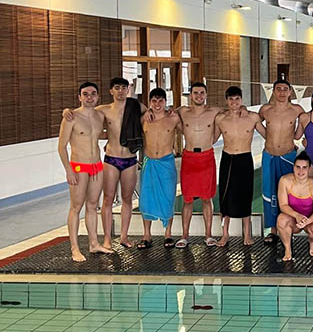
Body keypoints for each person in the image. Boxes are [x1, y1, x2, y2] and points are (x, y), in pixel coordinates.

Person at [62, 77, 147, 249]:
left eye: (124, 88)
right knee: (103, 200)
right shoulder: (103, 111)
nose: (121, 91)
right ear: (111, 91)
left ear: (129, 89)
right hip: (108, 159)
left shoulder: (134, 108)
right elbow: (65, 141)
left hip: (124, 160)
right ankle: (104, 239)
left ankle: (120, 237)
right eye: (117, 88)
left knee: (123, 199)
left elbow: (153, 113)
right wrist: (66, 111)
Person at [58, 82, 110, 261]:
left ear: (97, 97)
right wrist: (68, 171)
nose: (89, 97)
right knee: (76, 206)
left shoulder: (99, 115)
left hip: (96, 165)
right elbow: (61, 147)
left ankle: (94, 243)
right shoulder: (71, 117)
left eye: (93, 94)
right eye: (85, 94)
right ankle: (74, 248)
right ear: (79, 97)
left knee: (93, 205)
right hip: (79, 167)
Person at [213, 86, 266, 247]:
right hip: (228, 159)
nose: (234, 102)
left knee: (246, 195)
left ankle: (247, 235)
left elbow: (267, 135)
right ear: (226, 101)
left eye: (237, 99)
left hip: (245, 158)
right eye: (231, 99)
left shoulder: (252, 117)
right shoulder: (220, 119)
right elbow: (213, 140)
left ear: (242, 100)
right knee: (225, 197)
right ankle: (224, 234)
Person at [170, 82, 219, 248]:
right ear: (190, 95)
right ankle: (184, 235)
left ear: (206, 95)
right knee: (187, 199)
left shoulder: (214, 112)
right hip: (189, 158)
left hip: (206, 157)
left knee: (207, 198)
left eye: (202, 93)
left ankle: (208, 235)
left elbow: (231, 114)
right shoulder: (183, 111)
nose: (199, 96)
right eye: (196, 93)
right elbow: (168, 115)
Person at [259, 79, 305, 245]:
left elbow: (308, 124)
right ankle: (272, 231)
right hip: (269, 155)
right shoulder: (266, 110)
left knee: (288, 193)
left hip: (288, 155)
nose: (282, 92)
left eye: (285, 89)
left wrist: (304, 138)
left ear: (290, 92)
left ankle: (289, 227)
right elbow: (252, 122)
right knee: (269, 192)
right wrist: (267, 135)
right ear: (273, 91)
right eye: (278, 89)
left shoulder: (297, 110)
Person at [137, 88, 182, 249]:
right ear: (150, 102)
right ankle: (146, 235)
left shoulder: (173, 118)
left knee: (168, 197)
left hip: (166, 162)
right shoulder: (144, 118)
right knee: (146, 199)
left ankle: (168, 234)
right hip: (150, 163)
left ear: (165, 101)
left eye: (160, 101)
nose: (157, 104)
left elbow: (189, 127)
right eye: (154, 101)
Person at [277, 152, 313, 261]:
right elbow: (283, 205)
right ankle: (288, 249)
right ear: (293, 167)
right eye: (298, 167)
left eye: (304, 167)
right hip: (293, 218)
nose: (301, 171)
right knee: (281, 220)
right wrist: (297, 215)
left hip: (310, 219)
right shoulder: (285, 181)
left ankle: (312, 242)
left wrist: (307, 221)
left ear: (309, 169)